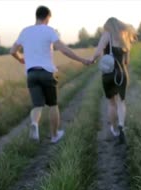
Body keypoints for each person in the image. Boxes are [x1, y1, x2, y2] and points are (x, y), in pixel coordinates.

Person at [10, 6, 91, 143]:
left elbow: (12, 50)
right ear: (47, 17)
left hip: (31, 74)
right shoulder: (49, 30)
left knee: (37, 106)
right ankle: (54, 135)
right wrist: (81, 60)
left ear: (36, 16)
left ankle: (34, 123)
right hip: (46, 73)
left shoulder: (25, 31)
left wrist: (21, 59)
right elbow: (64, 49)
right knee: (53, 105)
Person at [90, 17, 137, 144]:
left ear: (108, 26)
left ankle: (113, 129)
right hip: (122, 73)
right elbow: (127, 61)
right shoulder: (125, 37)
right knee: (121, 102)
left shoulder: (107, 35)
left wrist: (91, 60)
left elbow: (98, 52)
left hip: (108, 74)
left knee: (111, 103)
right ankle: (121, 126)